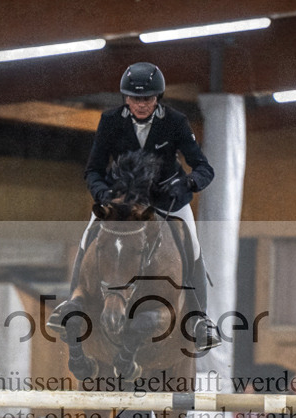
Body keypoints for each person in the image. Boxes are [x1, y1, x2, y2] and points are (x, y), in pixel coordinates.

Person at [48, 62, 221, 351]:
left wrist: (187, 184)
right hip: (123, 201)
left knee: (192, 245)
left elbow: (204, 168)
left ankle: (200, 319)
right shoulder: (111, 120)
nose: (142, 105)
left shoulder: (175, 122)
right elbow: (93, 169)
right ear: (126, 98)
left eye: (148, 99)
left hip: (167, 200)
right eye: (136, 98)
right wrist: (102, 193)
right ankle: (71, 305)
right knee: (88, 235)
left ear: (157, 98)